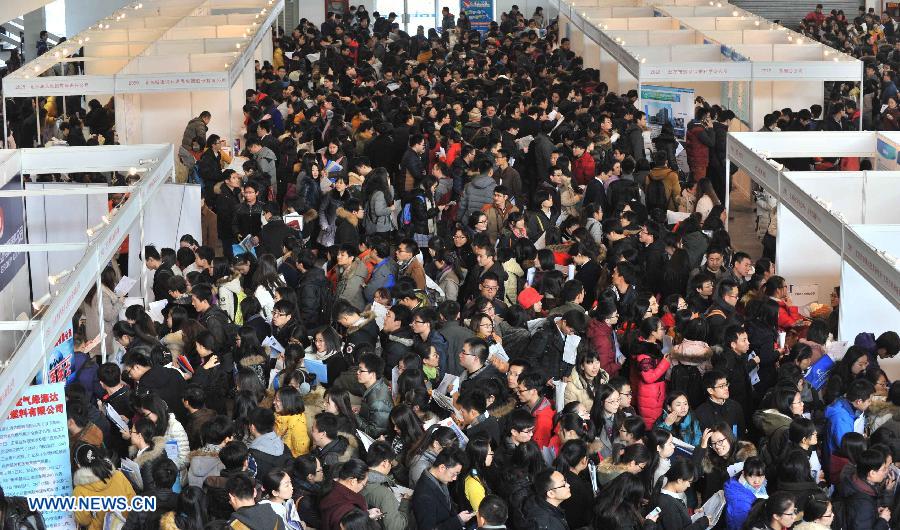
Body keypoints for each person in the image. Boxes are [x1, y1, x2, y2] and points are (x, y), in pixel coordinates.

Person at [412, 447, 473, 530]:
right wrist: (458, 520)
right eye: (454, 474)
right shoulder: (424, 495)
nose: (455, 478)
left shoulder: (439, 481)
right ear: (442, 468)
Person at [361, 441, 410, 530]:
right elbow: (396, 527)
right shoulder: (384, 494)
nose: (390, 466)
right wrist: (405, 503)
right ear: (385, 462)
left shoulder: (357, 477)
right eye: (391, 463)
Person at [825, 379, 875, 454]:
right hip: (840, 459)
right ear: (859, 401)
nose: (870, 403)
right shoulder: (841, 418)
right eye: (869, 401)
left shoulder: (851, 405)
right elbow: (845, 446)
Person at [695, 369, 746, 437]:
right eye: (721, 386)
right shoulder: (701, 412)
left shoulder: (735, 406)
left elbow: (741, 433)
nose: (726, 388)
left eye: (726, 384)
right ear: (710, 390)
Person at [356, 353, 392, 438]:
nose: (357, 372)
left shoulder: (379, 400)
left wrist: (354, 417)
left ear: (372, 374)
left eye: (361, 370)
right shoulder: (377, 385)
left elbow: (375, 432)